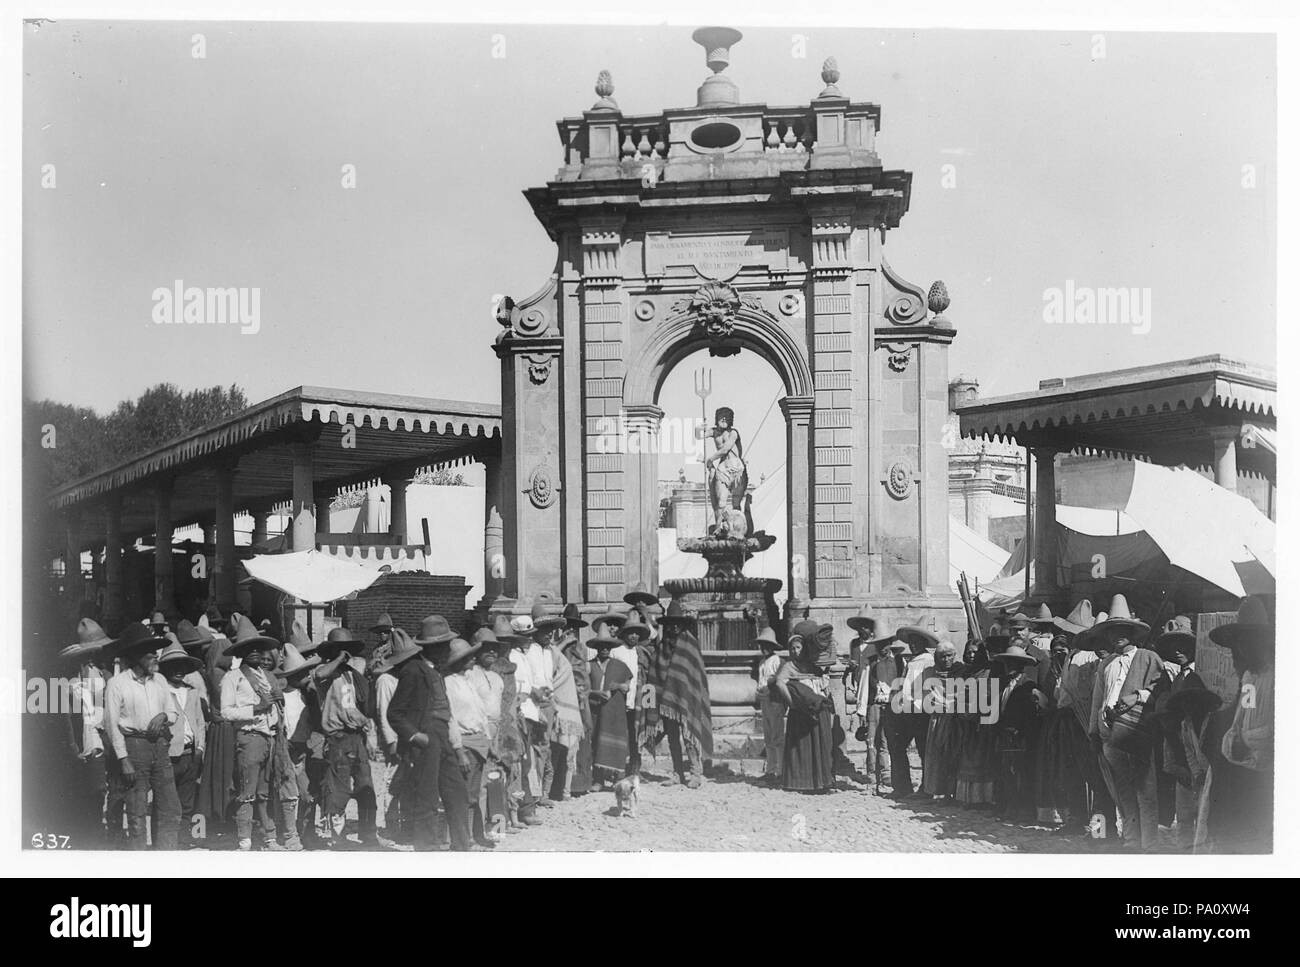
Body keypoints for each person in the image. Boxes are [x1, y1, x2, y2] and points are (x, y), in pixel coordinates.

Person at [386, 614, 473, 852]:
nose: (448, 649)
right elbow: (395, 713)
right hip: (426, 738)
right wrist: (415, 736)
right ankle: (427, 849)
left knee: (457, 792)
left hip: (442, 735)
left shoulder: (436, 669)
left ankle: (461, 846)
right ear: (432, 647)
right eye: (443, 645)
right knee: (427, 797)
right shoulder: (413, 670)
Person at [1088, 595, 1163, 852]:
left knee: (1145, 790)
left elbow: (1160, 692)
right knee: (1123, 791)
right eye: (1112, 631)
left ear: (1131, 631)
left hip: (1136, 733)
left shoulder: (1148, 658)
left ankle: (1149, 844)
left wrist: (1137, 696)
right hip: (1110, 737)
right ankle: (1131, 840)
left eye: (1122, 630)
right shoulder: (1106, 665)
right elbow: (1098, 700)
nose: (1117, 635)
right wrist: (1094, 732)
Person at [1199, 596, 1273, 854]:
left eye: (1249, 641)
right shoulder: (1250, 677)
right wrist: (1236, 738)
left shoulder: (1278, 676)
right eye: (1239, 644)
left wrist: (1247, 741)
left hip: (1265, 779)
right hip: (1240, 771)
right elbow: (1244, 718)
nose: (1242, 650)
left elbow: (1270, 730)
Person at [221, 616, 297, 851]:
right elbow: (226, 712)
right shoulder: (232, 678)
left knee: (265, 791)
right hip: (250, 736)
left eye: (258, 648)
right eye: (248, 648)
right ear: (240, 652)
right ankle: (244, 840)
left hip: (271, 737)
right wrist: (256, 708)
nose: (255, 652)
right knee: (247, 790)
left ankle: (269, 838)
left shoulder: (267, 677)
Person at [102, 623, 180, 850]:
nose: (155, 656)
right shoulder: (117, 684)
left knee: (169, 807)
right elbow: (111, 724)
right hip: (134, 748)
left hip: (160, 747)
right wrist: (123, 759)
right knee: (136, 812)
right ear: (135, 656)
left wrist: (164, 716)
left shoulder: (161, 681)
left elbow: (174, 712)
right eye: (149, 652)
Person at [60, 620, 114, 847]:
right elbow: (67, 719)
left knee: (106, 789)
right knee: (94, 790)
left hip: (106, 738)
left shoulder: (105, 674)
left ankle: (102, 832)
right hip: (88, 740)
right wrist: (73, 747)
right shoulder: (72, 682)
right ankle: (92, 835)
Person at [441, 635, 497, 848]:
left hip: (479, 743)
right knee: (461, 794)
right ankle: (455, 837)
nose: (474, 659)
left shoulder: (469, 682)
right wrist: (459, 751)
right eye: (468, 657)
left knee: (473, 794)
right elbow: (451, 719)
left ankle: (469, 836)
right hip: (464, 743)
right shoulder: (449, 684)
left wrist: (489, 742)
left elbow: (481, 715)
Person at [509, 603, 564, 811]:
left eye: (551, 631)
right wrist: (537, 697)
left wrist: (553, 704)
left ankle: (542, 792)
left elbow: (550, 679)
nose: (548, 634)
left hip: (547, 703)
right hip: (531, 704)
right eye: (544, 630)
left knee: (544, 750)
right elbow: (528, 682)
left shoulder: (549, 653)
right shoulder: (527, 651)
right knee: (532, 752)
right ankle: (534, 794)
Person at [652, 603, 712, 788]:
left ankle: (695, 773)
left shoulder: (690, 643)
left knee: (688, 735)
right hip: (667, 701)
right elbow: (656, 671)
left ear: (682, 625)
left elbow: (694, 674)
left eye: (677, 624)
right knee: (672, 738)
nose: (674, 627)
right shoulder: (662, 646)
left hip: (687, 698)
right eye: (671, 624)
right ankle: (677, 773)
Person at [774, 620, 836, 793]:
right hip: (801, 712)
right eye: (792, 648)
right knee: (803, 747)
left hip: (816, 709)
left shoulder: (813, 665)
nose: (795, 651)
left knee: (820, 744)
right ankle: (801, 782)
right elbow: (780, 683)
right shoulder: (789, 666)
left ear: (805, 648)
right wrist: (792, 703)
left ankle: (821, 782)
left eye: (798, 647)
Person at [156, 638, 207, 847]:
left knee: (187, 800)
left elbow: (200, 722)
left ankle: (184, 839)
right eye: (173, 666)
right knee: (166, 802)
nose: (179, 670)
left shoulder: (192, 692)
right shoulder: (161, 691)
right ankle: (164, 842)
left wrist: (200, 748)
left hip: (190, 753)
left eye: (182, 667)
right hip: (169, 753)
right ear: (165, 668)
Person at [276, 638, 324, 848]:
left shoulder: (308, 696)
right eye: (301, 674)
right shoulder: (282, 698)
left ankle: (307, 830)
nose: (305, 677)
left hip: (306, 747)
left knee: (309, 792)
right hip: (288, 748)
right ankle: (289, 832)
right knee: (290, 791)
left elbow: (316, 722)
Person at [992, 643, 1047, 823]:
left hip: (1021, 737)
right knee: (1007, 771)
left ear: (1021, 666)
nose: (1010, 667)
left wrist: (1020, 731)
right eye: (1008, 663)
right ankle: (1010, 806)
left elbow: (1030, 714)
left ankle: (1025, 810)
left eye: (1014, 663)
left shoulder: (1028, 686)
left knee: (1022, 773)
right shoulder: (1004, 684)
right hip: (1006, 735)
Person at [371, 628, 416, 845]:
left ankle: (406, 824)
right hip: (395, 739)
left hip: (410, 737)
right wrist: (391, 741)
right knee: (391, 783)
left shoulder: (407, 677)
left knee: (407, 781)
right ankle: (390, 823)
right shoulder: (386, 681)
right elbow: (383, 713)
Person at [886, 625, 939, 797]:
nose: (914, 645)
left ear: (924, 643)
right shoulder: (911, 661)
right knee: (898, 746)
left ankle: (927, 788)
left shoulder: (928, 661)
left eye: (918, 642)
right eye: (911, 642)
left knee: (924, 750)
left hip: (921, 711)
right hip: (907, 710)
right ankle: (902, 786)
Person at [587, 627, 633, 791]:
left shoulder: (619, 666)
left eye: (607, 646)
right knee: (596, 742)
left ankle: (617, 778)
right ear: (596, 648)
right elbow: (583, 688)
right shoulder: (590, 666)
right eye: (601, 646)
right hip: (595, 710)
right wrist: (595, 693)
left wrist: (618, 686)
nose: (604, 649)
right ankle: (598, 779)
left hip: (615, 711)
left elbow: (627, 686)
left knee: (616, 740)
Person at [550, 619, 590, 801]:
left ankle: (572, 787)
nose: (571, 631)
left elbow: (584, 673)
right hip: (558, 701)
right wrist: (563, 642)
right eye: (567, 628)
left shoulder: (581, 649)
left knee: (574, 748)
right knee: (557, 747)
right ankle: (555, 789)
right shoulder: (555, 649)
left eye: (574, 628)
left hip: (577, 702)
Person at [920, 641, 963, 799]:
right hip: (937, 720)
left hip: (956, 720)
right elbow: (926, 697)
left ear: (954, 656)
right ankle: (939, 790)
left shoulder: (961, 671)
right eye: (942, 657)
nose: (946, 660)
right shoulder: (929, 673)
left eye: (949, 656)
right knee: (937, 756)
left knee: (954, 755)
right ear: (936, 658)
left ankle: (954, 792)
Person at [705, 406, 747, 535]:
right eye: (721, 416)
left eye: (727, 417)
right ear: (717, 418)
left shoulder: (733, 432)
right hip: (723, 469)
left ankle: (737, 531)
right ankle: (718, 529)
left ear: (731, 420)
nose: (724, 419)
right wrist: (700, 427)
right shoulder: (714, 432)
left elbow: (725, 449)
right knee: (720, 503)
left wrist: (710, 459)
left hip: (737, 469)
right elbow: (697, 435)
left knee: (736, 503)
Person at [753, 627, 785, 784]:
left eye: (767, 645)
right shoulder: (762, 662)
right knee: (768, 737)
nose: (764, 648)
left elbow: (779, 681)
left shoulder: (776, 661)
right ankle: (771, 770)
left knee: (777, 736)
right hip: (765, 701)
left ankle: (780, 771)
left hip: (775, 701)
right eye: (761, 645)